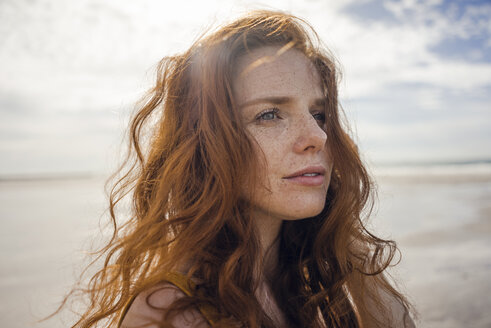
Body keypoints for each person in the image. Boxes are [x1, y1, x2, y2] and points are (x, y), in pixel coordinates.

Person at [67, 10, 415, 328]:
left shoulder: (304, 285)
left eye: (318, 113)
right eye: (269, 114)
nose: (317, 136)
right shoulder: (170, 315)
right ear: (207, 146)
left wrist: (341, 225)